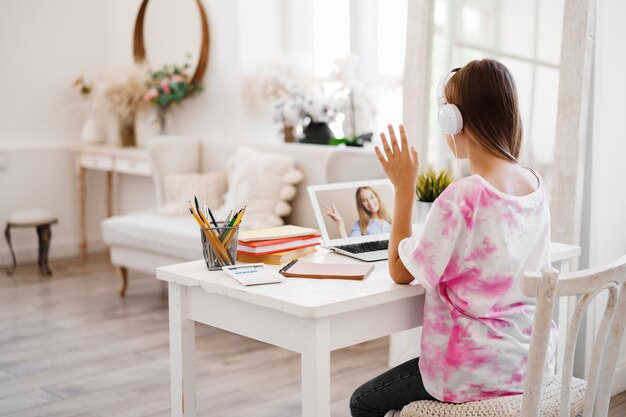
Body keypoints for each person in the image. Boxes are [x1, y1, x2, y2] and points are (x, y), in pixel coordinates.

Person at [349, 59, 555, 417]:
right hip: (529, 363)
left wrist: (403, 188)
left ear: (453, 120)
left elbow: (399, 270)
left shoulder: (464, 197)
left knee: (362, 403)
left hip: (469, 373)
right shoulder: (535, 186)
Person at [325, 186, 392, 238]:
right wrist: (340, 223)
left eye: (371, 197)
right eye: (364, 200)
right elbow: (350, 246)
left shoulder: (391, 221)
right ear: (361, 205)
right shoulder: (360, 225)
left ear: (377, 197)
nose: (370, 203)